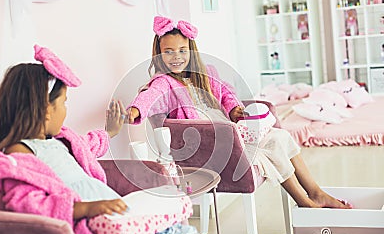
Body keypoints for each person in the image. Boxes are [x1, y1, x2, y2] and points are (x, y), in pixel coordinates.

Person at [0, 45, 211, 234]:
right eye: (63, 103)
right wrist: (87, 208)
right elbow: (26, 203)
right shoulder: (18, 156)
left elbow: (86, 147)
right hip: (100, 231)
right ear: (45, 110)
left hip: (120, 217)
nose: (65, 110)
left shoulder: (58, 139)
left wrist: (110, 132)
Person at [127, 16, 352, 209]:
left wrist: (235, 109)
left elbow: (226, 91)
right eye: (168, 52)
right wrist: (136, 110)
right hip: (210, 145)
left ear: (191, 51)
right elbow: (149, 96)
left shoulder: (205, 74)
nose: (176, 56)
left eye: (182, 50)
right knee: (273, 145)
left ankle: (314, 193)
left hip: (229, 132)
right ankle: (305, 200)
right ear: (159, 55)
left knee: (280, 137)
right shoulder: (163, 83)